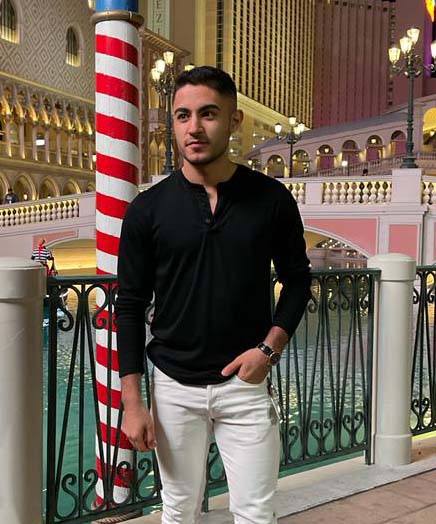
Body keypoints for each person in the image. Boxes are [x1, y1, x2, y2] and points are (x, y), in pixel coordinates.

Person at [115, 66, 312, 524]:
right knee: (178, 510)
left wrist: (269, 349)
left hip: (245, 385)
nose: (194, 128)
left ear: (233, 120)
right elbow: (130, 305)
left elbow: (297, 280)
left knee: (256, 513)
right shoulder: (147, 209)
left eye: (208, 114)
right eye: (182, 116)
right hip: (172, 386)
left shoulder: (271, 199)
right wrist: (132, 401)